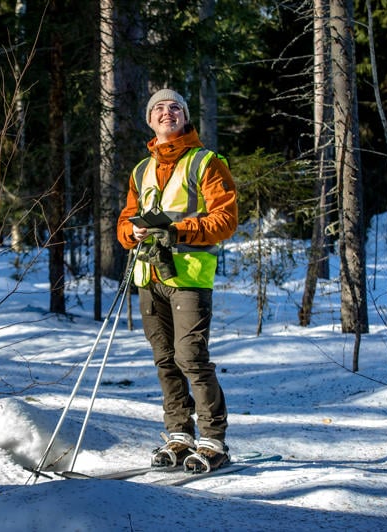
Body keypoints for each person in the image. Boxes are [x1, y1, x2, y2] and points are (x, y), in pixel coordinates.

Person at [116, 89, 238, 473]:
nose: (166, 113)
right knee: (165, 360)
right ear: (149, 121)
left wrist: (179, 231)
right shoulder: (141, 169)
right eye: (158, 109)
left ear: (185, 117)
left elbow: (226, 220)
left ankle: (213, 440)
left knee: (191, 358)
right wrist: (130, 234)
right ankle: (179, 435)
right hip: (149, 275)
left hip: (189, 278)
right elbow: (125, 221)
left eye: (174, 107)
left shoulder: (206, 162)